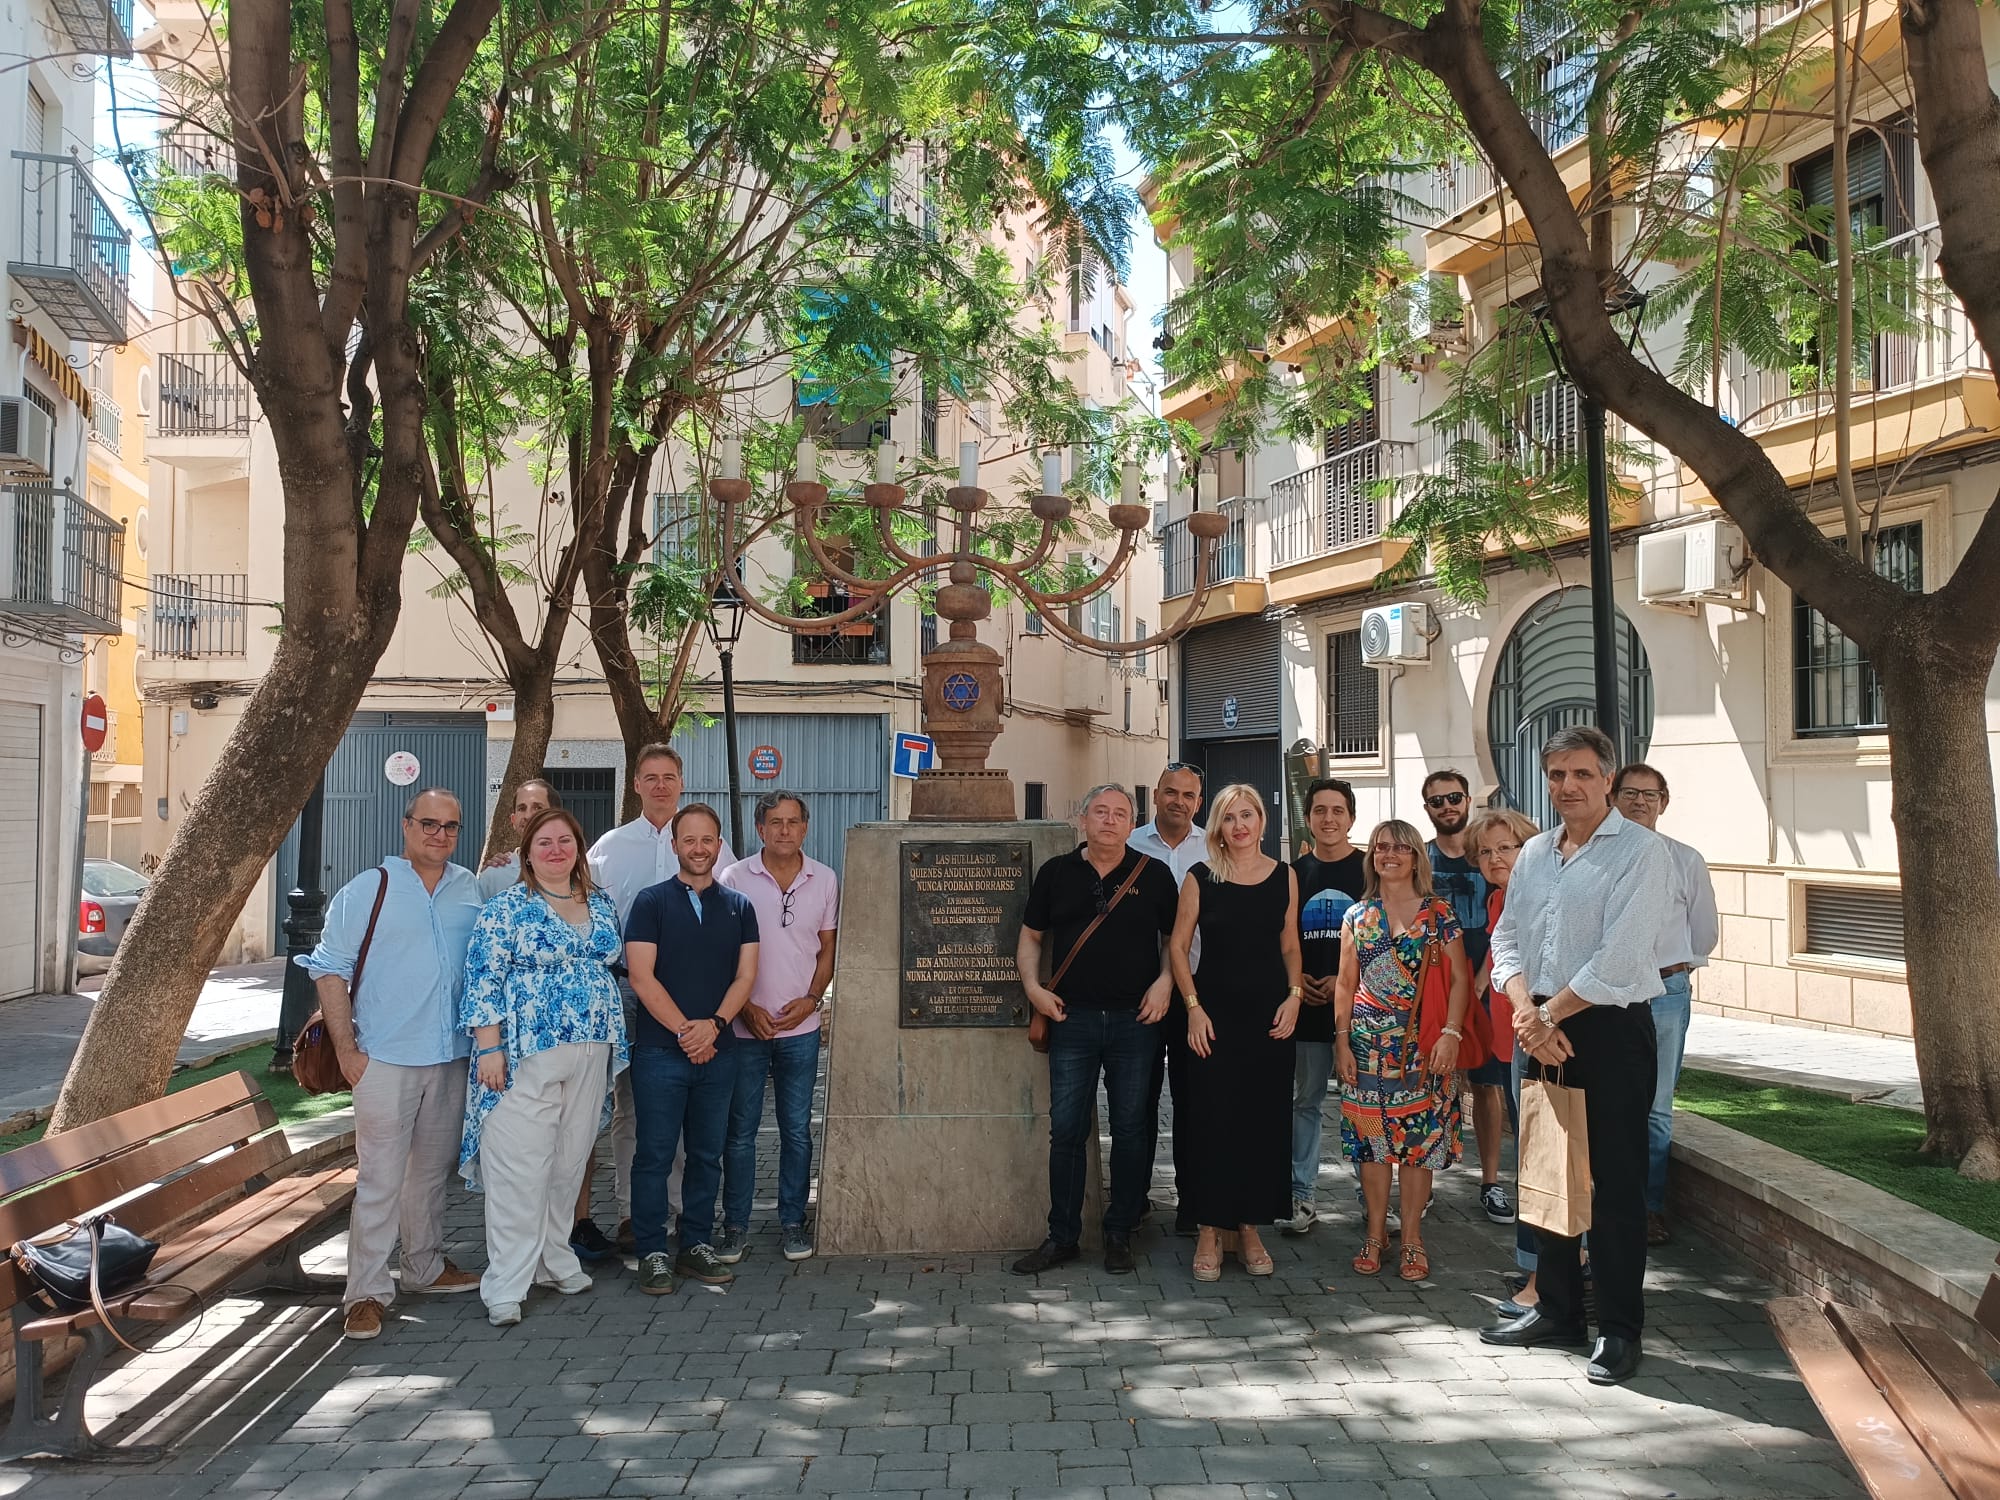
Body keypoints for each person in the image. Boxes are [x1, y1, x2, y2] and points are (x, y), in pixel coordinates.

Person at [1482, 725, 1671, 1387]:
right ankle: (1556, 1313)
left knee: (1615, 1190)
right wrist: (1524, 1014)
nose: (1568, 787)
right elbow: (1506, 940)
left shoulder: (1643, 854)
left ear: (1608, 780)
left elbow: (1619, 956)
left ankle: (1619, 1331)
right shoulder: (1534, 853)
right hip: (1542, 1026)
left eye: (1582, 774)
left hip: (1610, 1031)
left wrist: (1547, 1015)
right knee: (1549, 1181)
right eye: (1557, 775)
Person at [302, 788, 485, 1340]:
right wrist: (347, 1052)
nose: (439, 835)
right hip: (383, 1058)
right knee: (379, 1179)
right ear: (407, 826)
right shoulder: (368, 889)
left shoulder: (468, 888)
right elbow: (329, 970)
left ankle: (424, 1267)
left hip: (450, 1056)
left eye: (450, 827)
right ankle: (365, 1292)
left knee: (430, 1175)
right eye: (429, 824)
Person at [458, 808, 628, 1327]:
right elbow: (483, 976)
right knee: (519, 1168)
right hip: (523, 1051)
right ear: (527, 853)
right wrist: (489, 1047)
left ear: (579, 847)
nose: (556, 850)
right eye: (544, 842)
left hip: (590, 1048)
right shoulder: (505, 908)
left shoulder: (599, 902)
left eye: (565, 841)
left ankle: (555, 1258)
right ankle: (506, 1283)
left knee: (568, 1161)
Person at [1013, 785, 1178, 1276]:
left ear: (1133, 824)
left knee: (1131, 1128)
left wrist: (1165, 983)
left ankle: (1120, 1231)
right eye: (1100, 811)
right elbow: (1030, 937)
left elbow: (1175, 939)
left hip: (1136, 1021)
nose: (1109, 820)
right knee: (1065, 1130)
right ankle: (1062, 1236)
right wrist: (1033, 989)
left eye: (1120, 814)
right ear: (1082, 818)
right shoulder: (1056, 873)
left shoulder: (1155, 874)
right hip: (1072, 1019)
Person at [580, 744, 738, 1259]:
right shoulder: (608, 848)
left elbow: (736, 910)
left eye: (670, 776)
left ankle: (680, 1215)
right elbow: (570, 896)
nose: (661, 786)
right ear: (636, 785)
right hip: (629, 990)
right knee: (635, 1108)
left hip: (698, 998)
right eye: (651, 777)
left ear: (682, 782)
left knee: (690, 1113)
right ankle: (631, 1211)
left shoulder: (712, 847)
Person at [623, 803, 759, 1295]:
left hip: (720, 1053)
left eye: (708, 840)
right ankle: (652, 1252)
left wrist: (716, 1025)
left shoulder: (740, 907)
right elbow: (641, 976)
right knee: (655, 1155)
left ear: (719, 846)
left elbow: (746, 976)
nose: (699, 849)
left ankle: (696, 1244)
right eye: (689, 840)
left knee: (706, 1154)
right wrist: (686, 1030)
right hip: (661, 1052)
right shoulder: (651, 902)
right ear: (675, 845)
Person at [1168, 784, 1301, 1281]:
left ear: (1262, 821)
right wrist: (1193, 1008)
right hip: (1213, 1017)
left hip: (1269, 1018)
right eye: (1229, 818)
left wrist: (1293, 996)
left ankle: (1248, 1226)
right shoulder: (1200, 878)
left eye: (1248, 815)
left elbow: (1290, 946)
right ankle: (1209, 1227)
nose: (1240, 825)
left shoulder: (1285, 877)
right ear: (1218, 827)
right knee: (1212, 1121)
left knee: (1261, 1123)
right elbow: (1179, 949)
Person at [1334, 819, 1473, 1283]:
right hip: (1366, 1050)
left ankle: (1411, 1236)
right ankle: (1375, 1234)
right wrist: (1341, 1042)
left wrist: (1452, 1033)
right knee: (1372, 1146)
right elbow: (1346, 984)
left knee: (1418, 1148)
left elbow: (1459, 980)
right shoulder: (1357, 915)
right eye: (1379, 847)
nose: (1387, 854)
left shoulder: (1439, 915)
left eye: (1397, 847)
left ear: (1416, 855)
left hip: (1424, 1049)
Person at [716, 791, 838, 1264]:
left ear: (805, 827)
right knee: (741, 1131)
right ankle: (736, 1225)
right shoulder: (734, 878)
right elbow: (724, 953)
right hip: (745, 1029)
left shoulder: (825, 879)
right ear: (760, 828)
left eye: (793, 822)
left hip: (800, 1029)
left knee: (797, 1130)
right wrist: (744, 1008)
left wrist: (812, 1000)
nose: (784, 830)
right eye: (775, 822)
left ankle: (793, 1220)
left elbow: (827, 948)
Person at [1612, 763, 1719, 1246]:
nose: (1639, 802)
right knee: (1609, 1104)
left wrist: (1677, 968)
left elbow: (1704, 931)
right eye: (1630, 793)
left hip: (1664, 994)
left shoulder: (1685, 860)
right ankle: (1607, 1206)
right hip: (1606, 994)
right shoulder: (1598, 857)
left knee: (1655, 1109)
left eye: (1649, 795)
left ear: (1664, 802)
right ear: (1613, 797)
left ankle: (1648, 1209)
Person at [1422, 769, 1511, 1226]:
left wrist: (1480, 982)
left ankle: (1491, 1182)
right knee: (1437, 1082)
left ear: (1468, 800)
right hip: (1438, 982)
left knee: (1487, 1083)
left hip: (1492, 980)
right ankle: (1426, 1182)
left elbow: (1508, 924)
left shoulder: (1491, 856)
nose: (1447, 806)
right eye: (1437, 801)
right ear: (1428, 809)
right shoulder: (1420, 858)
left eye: (1453, 797)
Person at [1466, 807, 1544, 1316]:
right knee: (1533, 1155)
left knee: (1543, 1157)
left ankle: (1547, 1277)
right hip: (1511, 1034)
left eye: (1506, 848)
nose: (1495, 858)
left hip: (1540, 1035)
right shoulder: (1500, 897)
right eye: (1486, 851)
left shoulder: (1538, 895)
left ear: (1527, 848)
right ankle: (1540, 1267)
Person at [1284, 777, 1365, 1236]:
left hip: (1360, 1012)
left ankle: (1370, 1199)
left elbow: (1383, 940)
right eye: (1320, 810)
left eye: (1338, 810)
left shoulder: (1372, 869)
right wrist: (1296, 983)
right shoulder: (1293, 873)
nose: (1329, 818)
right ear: (1309, 817)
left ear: (1351, 817)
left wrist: (1345, 983)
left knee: (1362, 1107)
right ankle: (1301, 1196)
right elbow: (1283, 940)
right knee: (1305, 1103)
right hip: (1308, 1008)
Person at [1130, 762, 1207, 1235]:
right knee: (1136, 1101)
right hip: (1143, 991)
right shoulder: (1131, 843)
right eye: (1171, 792)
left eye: (1189, 795)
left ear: (1199, 802)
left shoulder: (1213, 846)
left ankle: (1191, 1201)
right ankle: (1134, 1199)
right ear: (1155, 795)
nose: (1179, 801)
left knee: (1193, 1100)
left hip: (1197, 992)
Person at [478, 778, 561, 900]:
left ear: (557, 816)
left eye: (538, 808)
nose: (528, 816)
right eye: (522, 808)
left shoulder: (576, 872)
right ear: (513, 820)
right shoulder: (493, 877)